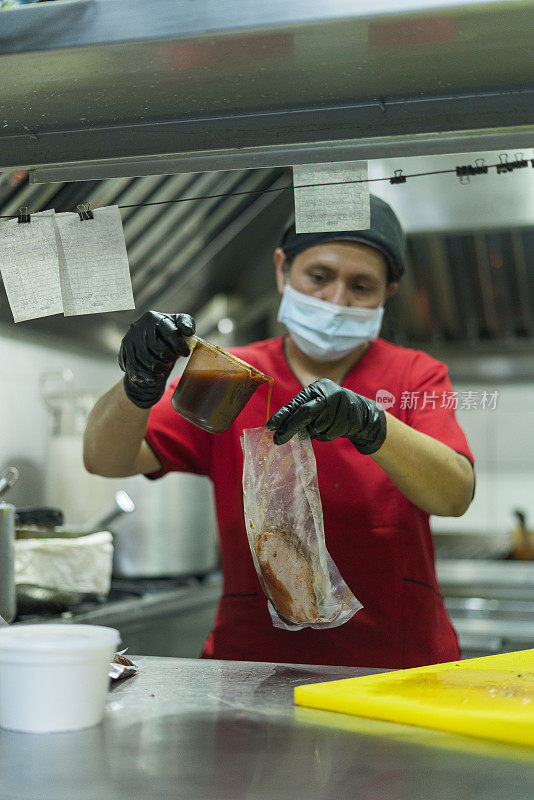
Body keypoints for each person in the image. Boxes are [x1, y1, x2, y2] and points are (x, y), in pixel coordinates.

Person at [83, 194, 475, 669]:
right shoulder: (234, 373)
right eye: (319, 276)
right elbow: (105, 459)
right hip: (255, 668)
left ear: (388, 292)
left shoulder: (415, 377)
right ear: (281, 270)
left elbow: (454, 495)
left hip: (393, 668)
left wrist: (371, 424)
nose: (336, 301)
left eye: (361, 286)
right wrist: (137, 384)